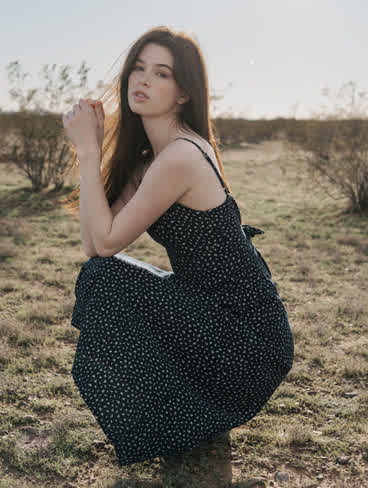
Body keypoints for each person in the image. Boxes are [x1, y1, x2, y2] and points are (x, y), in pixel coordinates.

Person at [61, 25, 294, 467]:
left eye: (161, 73)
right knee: (101, 276)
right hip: (214, 321)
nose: (143, 80)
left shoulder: (180, 157)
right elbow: (94, 243)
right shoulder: (150, 162)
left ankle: (185, 414)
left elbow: (104, 244)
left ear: (184, 92)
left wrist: (88, 151)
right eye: (138, 68)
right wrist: (91, 154)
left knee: (106, 282)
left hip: (250, 344)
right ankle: (188, 410)